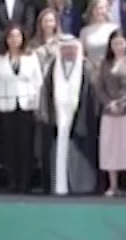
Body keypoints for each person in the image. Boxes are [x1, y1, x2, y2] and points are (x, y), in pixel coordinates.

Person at [36, 35, 100, 196]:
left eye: (71, 48)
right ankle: (59, 186)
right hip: (57, 117)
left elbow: (92, 95)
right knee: (57, 153)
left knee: (79, 153)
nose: (68, 51)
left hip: (80, 117)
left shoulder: (86, 67)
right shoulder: (52, 67)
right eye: (64, 49)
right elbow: (46, 93)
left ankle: (80, 186)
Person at [0, 24, 44, 194]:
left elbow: (38, 82)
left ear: (23, 39)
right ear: (6, 39)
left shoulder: (31, 57)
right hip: (6, 107)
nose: (14, 40)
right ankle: (12, 181)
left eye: (17, 36)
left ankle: (25, 183)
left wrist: (40, 106)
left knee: (26, 146)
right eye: (11, 36)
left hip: (27, 106)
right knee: (9, 146)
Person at [96, 30, 126, 197]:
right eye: (115, 43)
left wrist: (122, 104)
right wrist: (109, 103)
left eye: (121, 43)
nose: (118, 47)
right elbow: (100, 87)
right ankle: (113, 185)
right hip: (109, 112)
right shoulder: (105, 63)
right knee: (111, 148)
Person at [79, 0, 118, 66]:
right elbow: (81, 54)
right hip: (92, 70)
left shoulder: (115, 29)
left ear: (107, 10)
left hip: (111, 70)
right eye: (96, 9)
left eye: (102, 8)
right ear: (92, 11)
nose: (99, 11)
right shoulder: (85, 31)